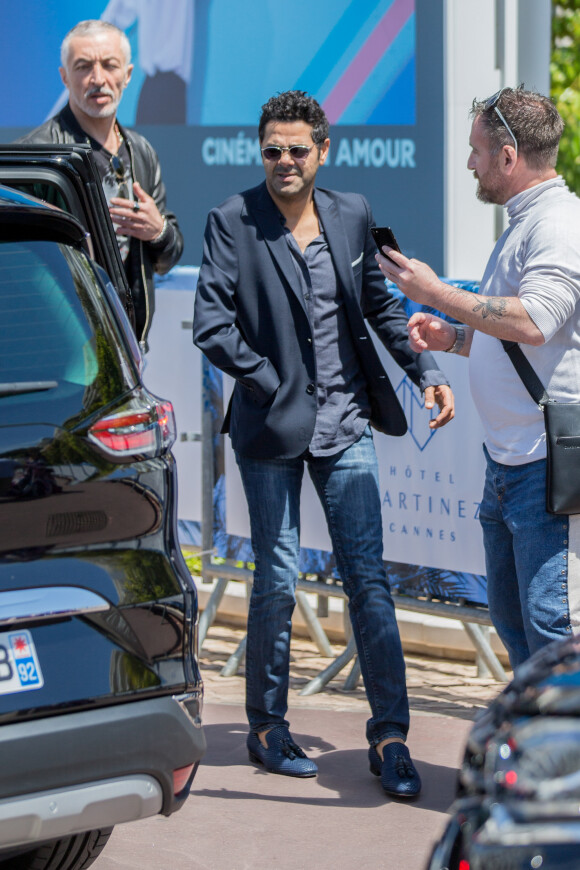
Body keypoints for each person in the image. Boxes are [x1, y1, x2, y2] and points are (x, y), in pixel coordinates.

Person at [193, 90, 454, 797]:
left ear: (323, 150)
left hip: (347, 429)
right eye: (272, 149)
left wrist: (424, 371)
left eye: (297, 150)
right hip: (269, 427)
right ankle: (267, 725)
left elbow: (380, 306)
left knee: (367, 581)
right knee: (276, 577)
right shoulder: (230, 219)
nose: (284, 161)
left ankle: (391, 737)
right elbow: (211, 324)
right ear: (261, 151)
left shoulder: (352, 213)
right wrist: (268, 380)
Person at [375, 86, 580, 671]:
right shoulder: (527, 223)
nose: (470, 163)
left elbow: (538, 321)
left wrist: (435, 293)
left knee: (553, 631)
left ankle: (559, 759)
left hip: (545, 466)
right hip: (512, 464)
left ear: (509, 156)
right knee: (519, 627)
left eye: (476, 151)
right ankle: (538, 749)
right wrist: (455, 338)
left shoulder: (558, 225)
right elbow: (521, 335)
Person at [17, 19, 183, 347]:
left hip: (130, 348)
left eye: (109, 65)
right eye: (83, 66)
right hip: (62, 348)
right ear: (65, 76)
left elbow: (168, 256)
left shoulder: (141, 152)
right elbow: (21, 267)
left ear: (128, 75)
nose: (98, 79)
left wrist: (157, 230)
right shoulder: (39, 158)